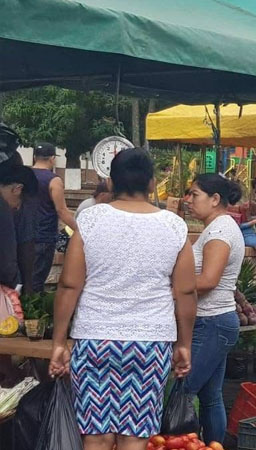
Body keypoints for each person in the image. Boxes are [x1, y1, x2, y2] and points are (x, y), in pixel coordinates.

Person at [48, 148, 196, 448]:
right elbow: (185, 292)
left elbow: (69, 286)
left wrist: (59, 343)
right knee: (135, 437)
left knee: (96, 436)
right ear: (153, 183)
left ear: (111, 183)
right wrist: (184, 344)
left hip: (94, 340)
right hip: (150, 342)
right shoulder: (174, 226)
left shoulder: (89, 221)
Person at [182, 173, 246, 443]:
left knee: (183, 392)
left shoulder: (220, 231)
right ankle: (213, 445)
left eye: (194, 194)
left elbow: (208, 280)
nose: (189, 200)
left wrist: (172, 288)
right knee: (210, 397)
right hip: (216, 322)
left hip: (212, 322)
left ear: (215, 199)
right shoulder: (217, 227)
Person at [31, 142, 77, 292]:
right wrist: (79, 229)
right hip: (44, 236)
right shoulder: (54, 180)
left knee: (23, 279)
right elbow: (62, 211)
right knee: (37, 281)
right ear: (52, 159)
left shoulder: (24, 176)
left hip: (23, 235)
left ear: (34, 157)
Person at [0, 149, 37, 293]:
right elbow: (6, 265)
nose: (16, 208)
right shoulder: (3, 209)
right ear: (17, 189)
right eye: (20, 203)